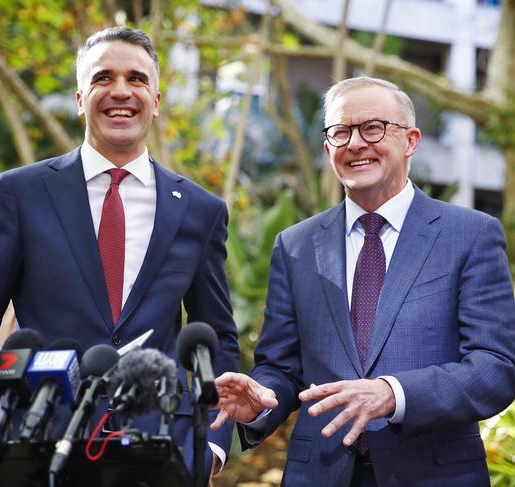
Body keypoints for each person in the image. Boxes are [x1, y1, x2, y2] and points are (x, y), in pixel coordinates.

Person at [0, 27, 239, 482]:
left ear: (156, 99)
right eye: (103, 78)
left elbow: (218, 338)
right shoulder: (20, 192)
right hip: (36, 444)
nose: (121, 92)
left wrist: (210, 445)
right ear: (79, 97)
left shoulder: (201, 211)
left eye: (137, 79)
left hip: (160, 449)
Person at [211, 76, 515, 486]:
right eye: (340, 131)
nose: (355, 143)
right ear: (327, 148)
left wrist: (393, 394)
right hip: (319, 474)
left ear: (410, 140)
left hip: (433, 474)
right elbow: (282, 367)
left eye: (372, 127)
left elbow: (495, 368)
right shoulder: (296, 245)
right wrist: (262, 402)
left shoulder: (470, 235)